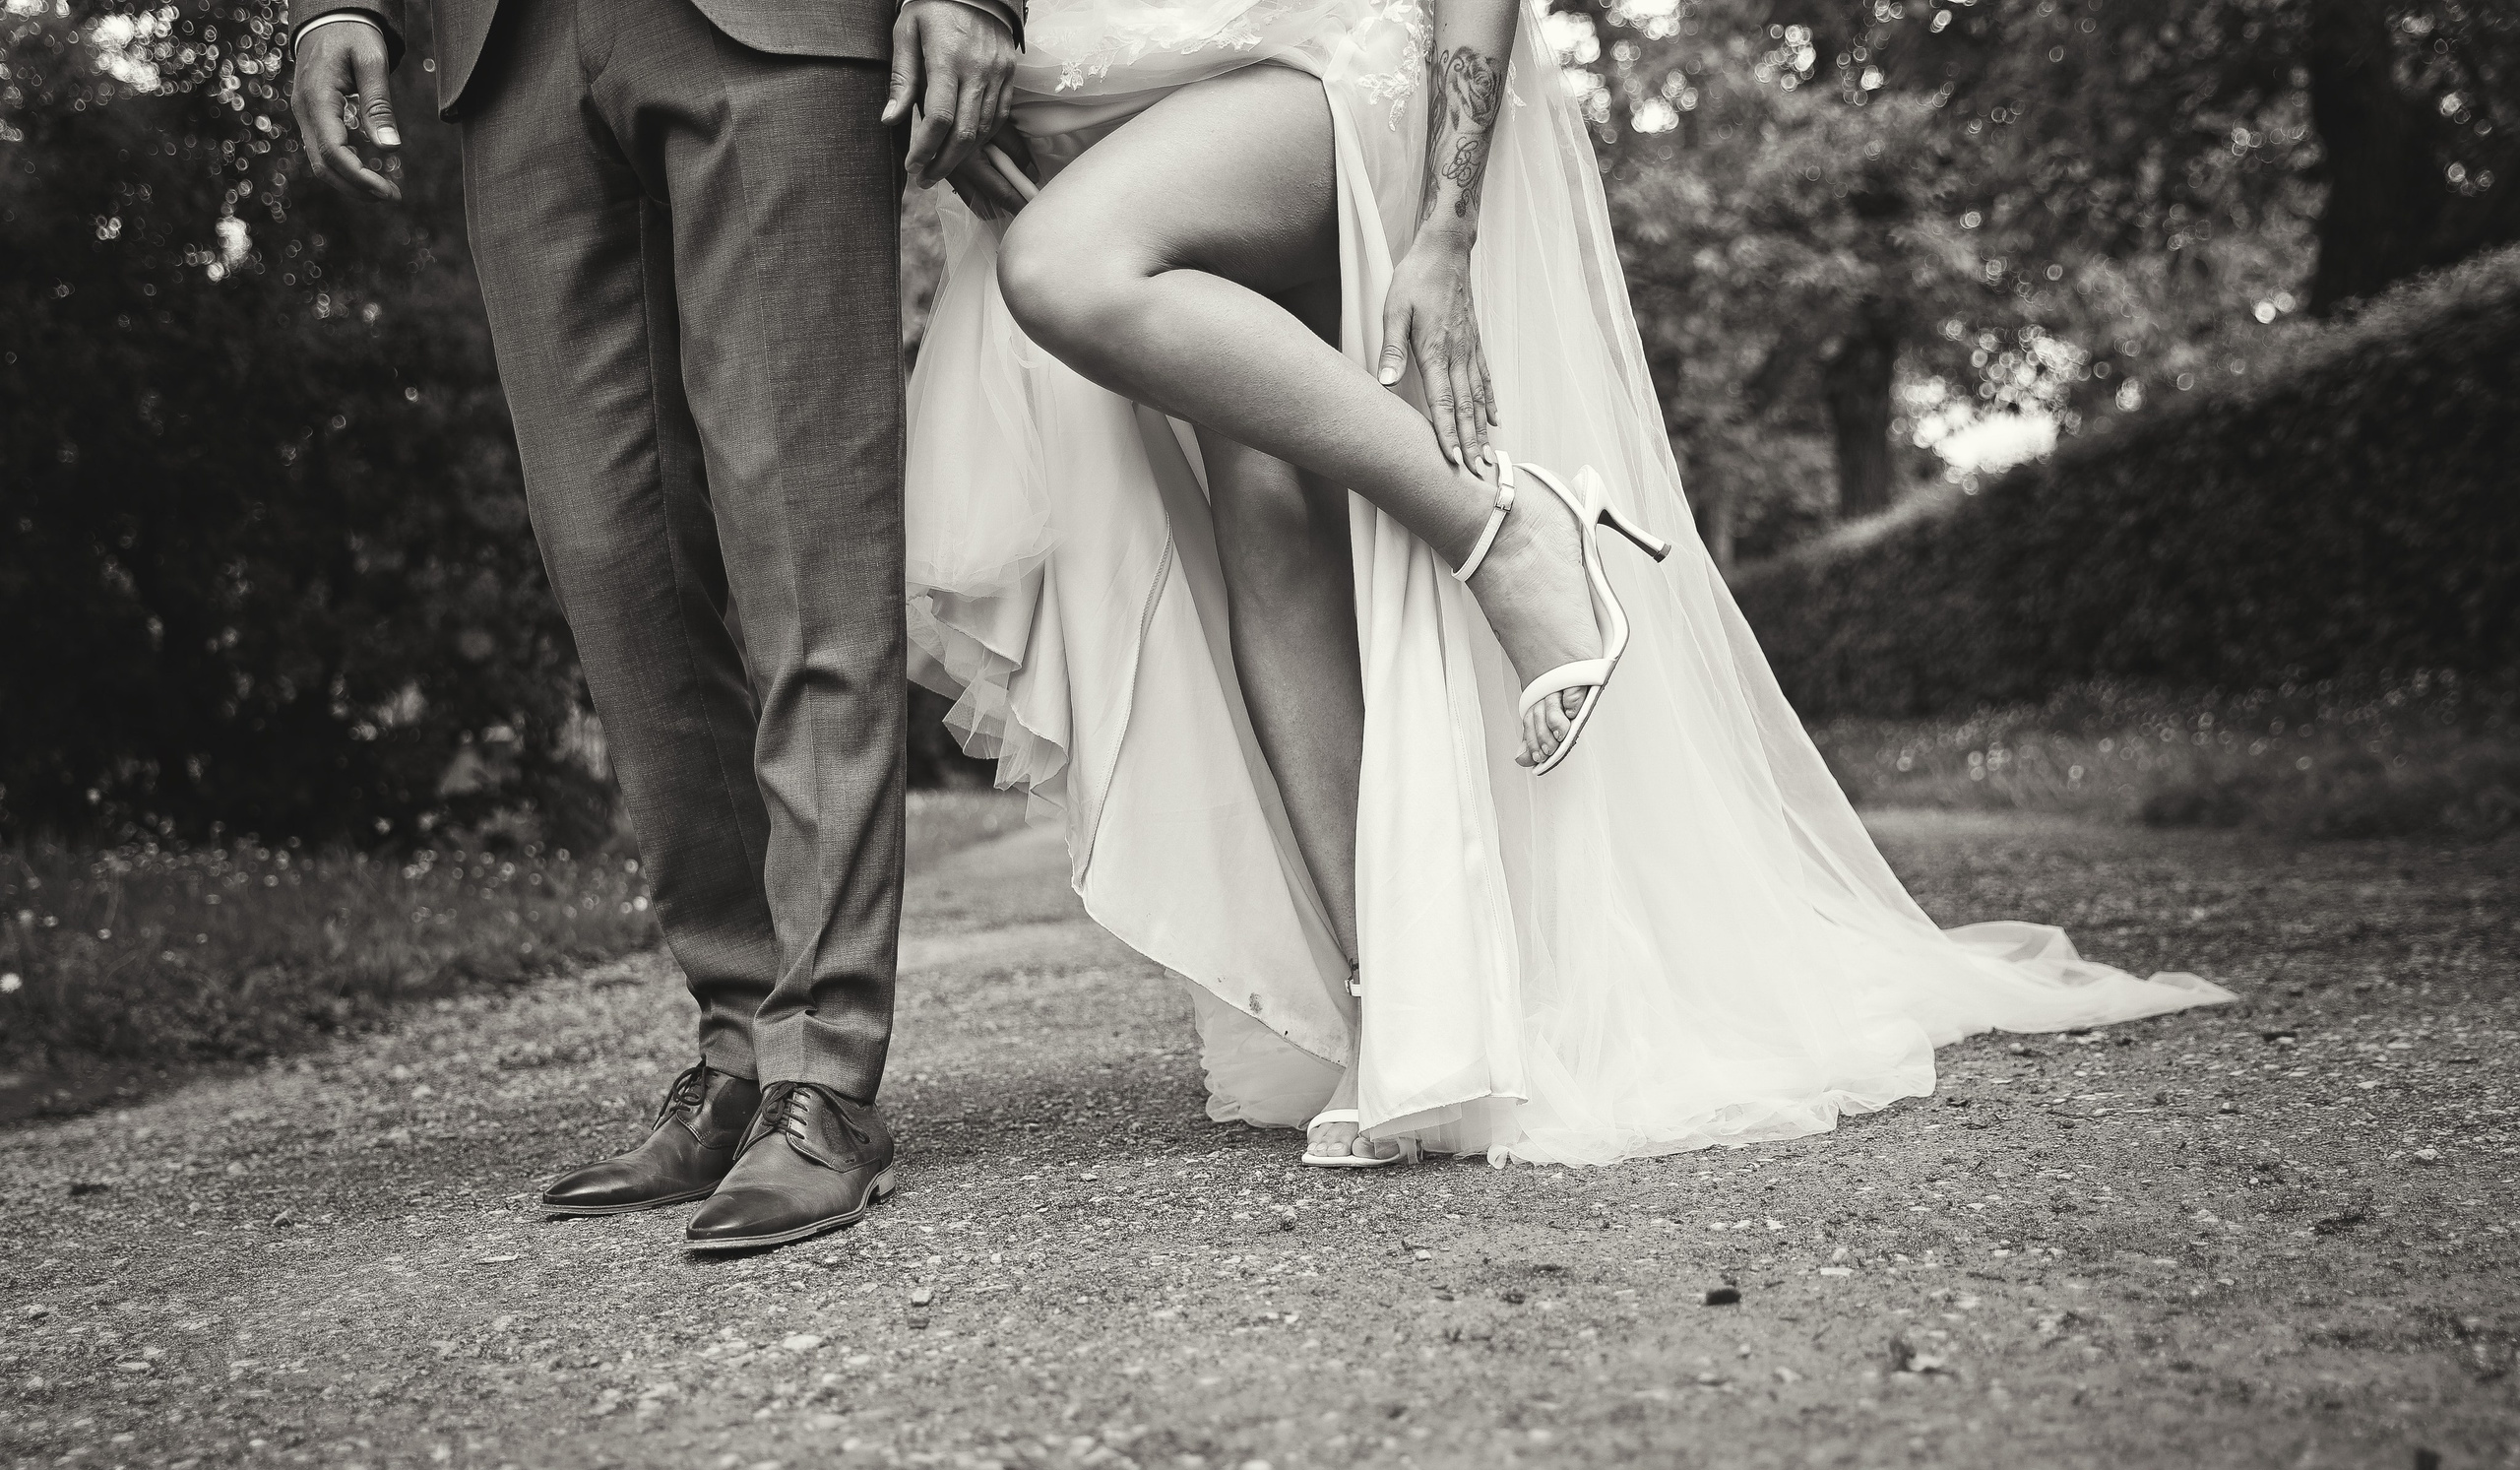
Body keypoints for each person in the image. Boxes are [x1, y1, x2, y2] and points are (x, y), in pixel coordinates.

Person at [902, 0, 2232, 1168]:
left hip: (1314, 73)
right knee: (1263, 515)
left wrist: (1447, 223)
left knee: (1065, 269)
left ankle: (1505, 530)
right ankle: (1405, 1015)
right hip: (1123, 116)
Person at [287, 0, 1025, 1246]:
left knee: (806, 536)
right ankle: (738, 1048)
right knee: (606, 557)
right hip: (510, 48)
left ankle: (822, 1071)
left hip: (775, 30)